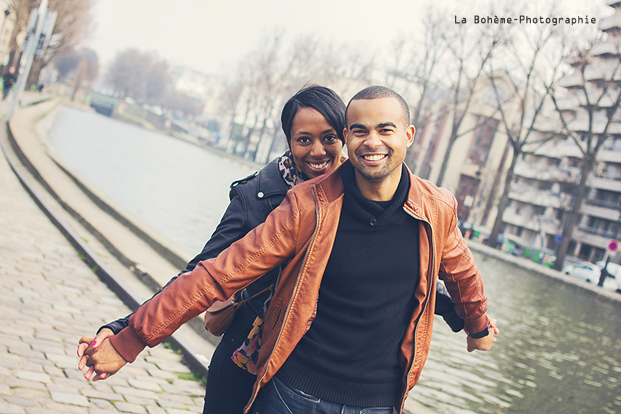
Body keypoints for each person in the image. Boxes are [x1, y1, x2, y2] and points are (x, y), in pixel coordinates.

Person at [80, 86, 496, 414]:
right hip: (283, 381)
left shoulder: (434, 208)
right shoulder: (294, 204)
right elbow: (210, 274)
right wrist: (129, 336)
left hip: (379, 398)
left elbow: (445, 275)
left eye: (384, 130)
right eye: (360, 131)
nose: (371, 142)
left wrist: (474, 322)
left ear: (407, 135)